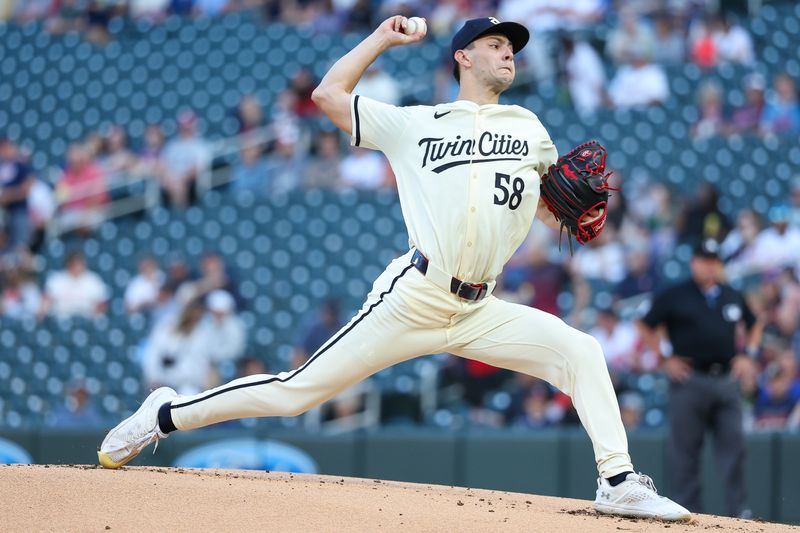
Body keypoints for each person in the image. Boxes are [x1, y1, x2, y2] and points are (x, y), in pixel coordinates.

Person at [98, 15, 690, 521]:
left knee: (580, 351)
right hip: (415, 296)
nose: (509, 50)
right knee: (295, 394)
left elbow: (535, 205)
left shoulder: (528, 128)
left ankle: (617, 484)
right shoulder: (416, 124)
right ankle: (165, 414)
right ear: (463, 55)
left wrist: (561, 207)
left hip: (479, 307)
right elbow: (327, 96)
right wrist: (381, 38)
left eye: (512, 46)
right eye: (495, 43)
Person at [638, 239, 761, 518]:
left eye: (714, 260)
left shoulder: (731, 294)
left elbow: (754, 325)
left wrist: (748, 355)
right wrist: (665, 358)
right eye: (704, 260)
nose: (709, 266)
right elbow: (644, 324)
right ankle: (688, 514)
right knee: (685, 454)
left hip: (726, 380)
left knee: (735, 449)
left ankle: (739, 513)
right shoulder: (676, 294)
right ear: (694, 262)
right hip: (689, 382)